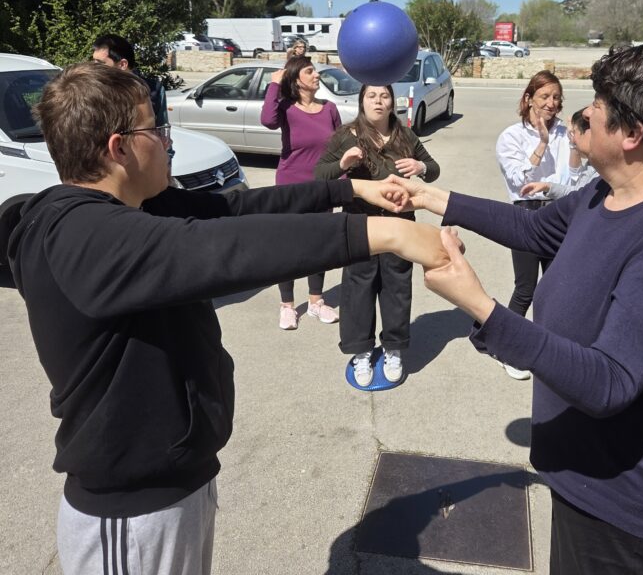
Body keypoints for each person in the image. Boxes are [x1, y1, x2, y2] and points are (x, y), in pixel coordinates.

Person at [9, 62, 449, 575]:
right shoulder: (84, 235)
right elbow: (224, 249)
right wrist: (386, 235)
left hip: (176, 482)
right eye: (156, 127)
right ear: (118, 147)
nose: (167, 141)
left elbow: (235, 212)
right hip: (131, 512)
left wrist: (348, 192)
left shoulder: (139, 207)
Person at [400, 40, 643, 575]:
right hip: (587, 467)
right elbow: (533, 228)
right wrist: (427, 198)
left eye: (596, 106)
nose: (582, 114)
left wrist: (482, 307)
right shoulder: (610, 191)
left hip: (629, 499)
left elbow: (609, 381)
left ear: (631, 135)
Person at [315, 84, 440, 386]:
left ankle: (394, 349)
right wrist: (343, 164)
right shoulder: (347, 135)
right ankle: (360, 352)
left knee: (397, 287)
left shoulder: (405, 135)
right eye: (371, 96)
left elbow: (433, 169)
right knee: (358, 288)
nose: (378, 101)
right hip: (360, 224)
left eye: (384, 96)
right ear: (362, 101)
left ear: (392, 101)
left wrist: (421, 165)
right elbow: (319, 175)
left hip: (400, 224)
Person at [494, 70, 572, 379]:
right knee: (525, 288)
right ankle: (506, 348)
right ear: (528, 99)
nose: (551, 103)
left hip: (560, 212)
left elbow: (574, 177)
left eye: (556, 97)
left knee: (556, 287)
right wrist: (541, 143)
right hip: (526, 215)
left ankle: (548, 349)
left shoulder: (568, 134)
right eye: (544, 97)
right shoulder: (511, 136)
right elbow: (518, 180)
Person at [261, 55, 341, 328]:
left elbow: (338, 150)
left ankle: (316, 302)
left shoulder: (329, 108)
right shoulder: (285, 107)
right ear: (296, 81)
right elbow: (267, 120)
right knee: (289, 246)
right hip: (290, 187)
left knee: (318, 245)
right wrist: (274, 84)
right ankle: (287, 306)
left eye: (316, 71)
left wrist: (341, 181)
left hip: (321, 187)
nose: (317, 75)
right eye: (310, 71)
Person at [92, 33, 168, 127]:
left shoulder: (154, 89)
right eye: (94, 61)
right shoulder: (93, 88)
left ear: (123, 64)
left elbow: (162, 129)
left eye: (100, 63)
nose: (94, 67)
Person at [521, 108, 597, 200]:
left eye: (574, 133)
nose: (572, 140)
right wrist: (547, 187)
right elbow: (578, 191)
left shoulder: (604, 169)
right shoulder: (593, 164)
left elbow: (580, 196)